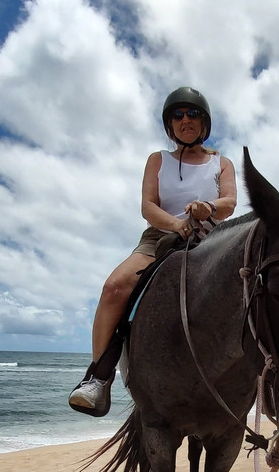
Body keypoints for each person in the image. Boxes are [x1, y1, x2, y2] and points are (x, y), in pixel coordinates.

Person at [68, 87, 237, 417]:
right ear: (169, 125)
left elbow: (229, 203)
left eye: (192, 114)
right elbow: (148, 206)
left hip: (211, 241)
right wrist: (175, 226)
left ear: (204, 123)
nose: (185, 120)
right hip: (159, 238)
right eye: (178, 115)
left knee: (257, 287)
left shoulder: (222, 163)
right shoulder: (158, 160)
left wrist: (207, 206)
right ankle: (98, 380)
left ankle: (270, 384)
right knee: (114, 287)